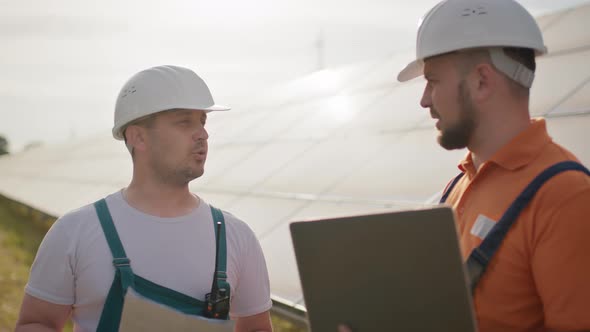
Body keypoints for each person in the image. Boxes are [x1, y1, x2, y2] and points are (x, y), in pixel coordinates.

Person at [15, 65, 273, 332]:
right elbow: (36, 323)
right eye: (185, 122)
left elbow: (257, 328)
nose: (203, 134)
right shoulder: (75, 232)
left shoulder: (236, 236)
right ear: (138, 136)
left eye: (202, 121)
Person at [396, 0, 590, 331]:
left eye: (433, 80)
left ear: (482, 81)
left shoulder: (567, 198)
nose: (425, 99)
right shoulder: (459, 184)